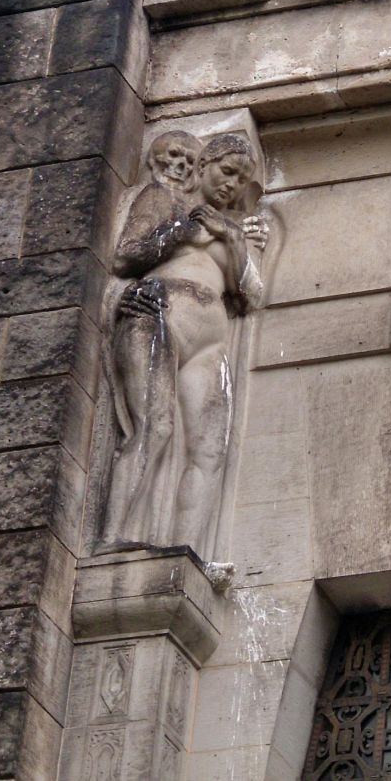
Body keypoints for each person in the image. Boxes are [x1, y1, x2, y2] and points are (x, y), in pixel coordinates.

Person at [101, 132, 267, 558]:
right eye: (226, 171)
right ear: (203, 165)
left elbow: (250, 294)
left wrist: (230, 238)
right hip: (158, 315)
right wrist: (184, 228)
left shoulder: (233, 230)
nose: (231, 184)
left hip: (210, 340)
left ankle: (187, 553)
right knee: (154, 427)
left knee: (210, 450)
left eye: (240, 179)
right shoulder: (164, 197)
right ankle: (112, 537)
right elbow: (126, 256)